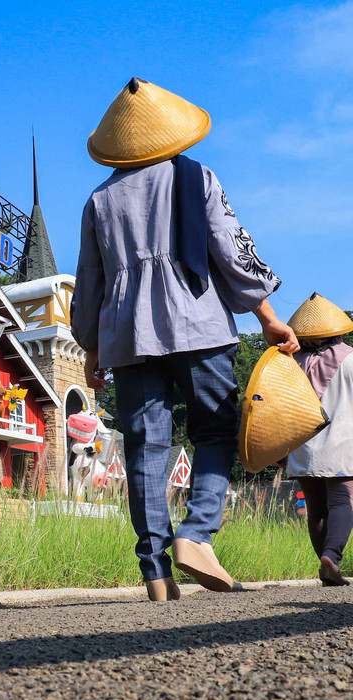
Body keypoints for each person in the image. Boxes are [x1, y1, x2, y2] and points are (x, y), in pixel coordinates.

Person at [71, 77, 300, 602]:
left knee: (144, 448)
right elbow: (230, 248)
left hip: (127, 335)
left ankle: (155, 572)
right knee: (216, 430)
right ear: (169, 130)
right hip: (198, 321)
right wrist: (267, 316)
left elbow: (89, 281)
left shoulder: (99, 200)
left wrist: (91, 346)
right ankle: (196, 534)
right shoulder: (196, 177)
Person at [285, 293, 353, 586]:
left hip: (302, 446)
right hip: (342, 444)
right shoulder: (351, 359)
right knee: (342, 501)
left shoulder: (289, 363)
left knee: (315, 508)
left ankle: (327, 567)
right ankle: (331, 558)